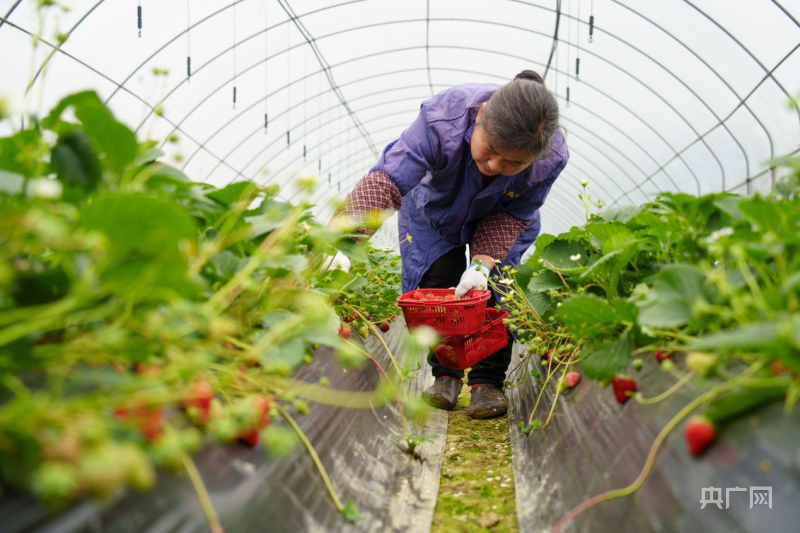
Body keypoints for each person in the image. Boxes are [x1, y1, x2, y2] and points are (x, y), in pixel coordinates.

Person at [329, 70, 569, 419]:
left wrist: (481, 265)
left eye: (513, 163)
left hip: (501, 215)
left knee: (497, 291)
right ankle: (446, 376)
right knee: (438, 283)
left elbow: (516, 212)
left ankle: (488, 382)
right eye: (491, 150)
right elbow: (389, 178)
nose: (495, 166)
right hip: (435, 213)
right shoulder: (442, 120)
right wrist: (343, 240)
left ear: (535, 156)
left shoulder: (551, 156)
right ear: (482, 114)